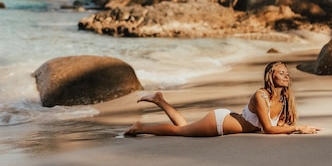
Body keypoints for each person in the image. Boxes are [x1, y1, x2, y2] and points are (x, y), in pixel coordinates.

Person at [124, 61, 321, 137]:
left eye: (287, 73)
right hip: (219, 123)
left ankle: (160, 100)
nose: (286, 76)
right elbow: (269, 129)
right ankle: (141, 129)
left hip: (228, 121)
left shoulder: (285, 99)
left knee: (185, 127)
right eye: (281, 72)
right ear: (271, 76)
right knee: (180, 131)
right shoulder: (261, 96)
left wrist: (296, 127)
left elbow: (281, 125)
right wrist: (297, 128)